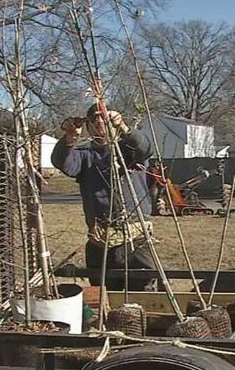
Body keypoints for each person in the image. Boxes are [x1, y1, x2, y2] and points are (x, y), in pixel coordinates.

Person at [51, 103, 158, 291]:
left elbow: (145, 148)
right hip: (101, 241)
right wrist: (70, 137)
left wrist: (123, 127)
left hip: (136, 237)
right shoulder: (85, 156)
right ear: (88, 127)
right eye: (94, 120)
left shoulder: (130, 149)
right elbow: (62, 162)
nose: (100, 123)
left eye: (105, 118)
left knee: (142, 292)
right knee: (103, 295)